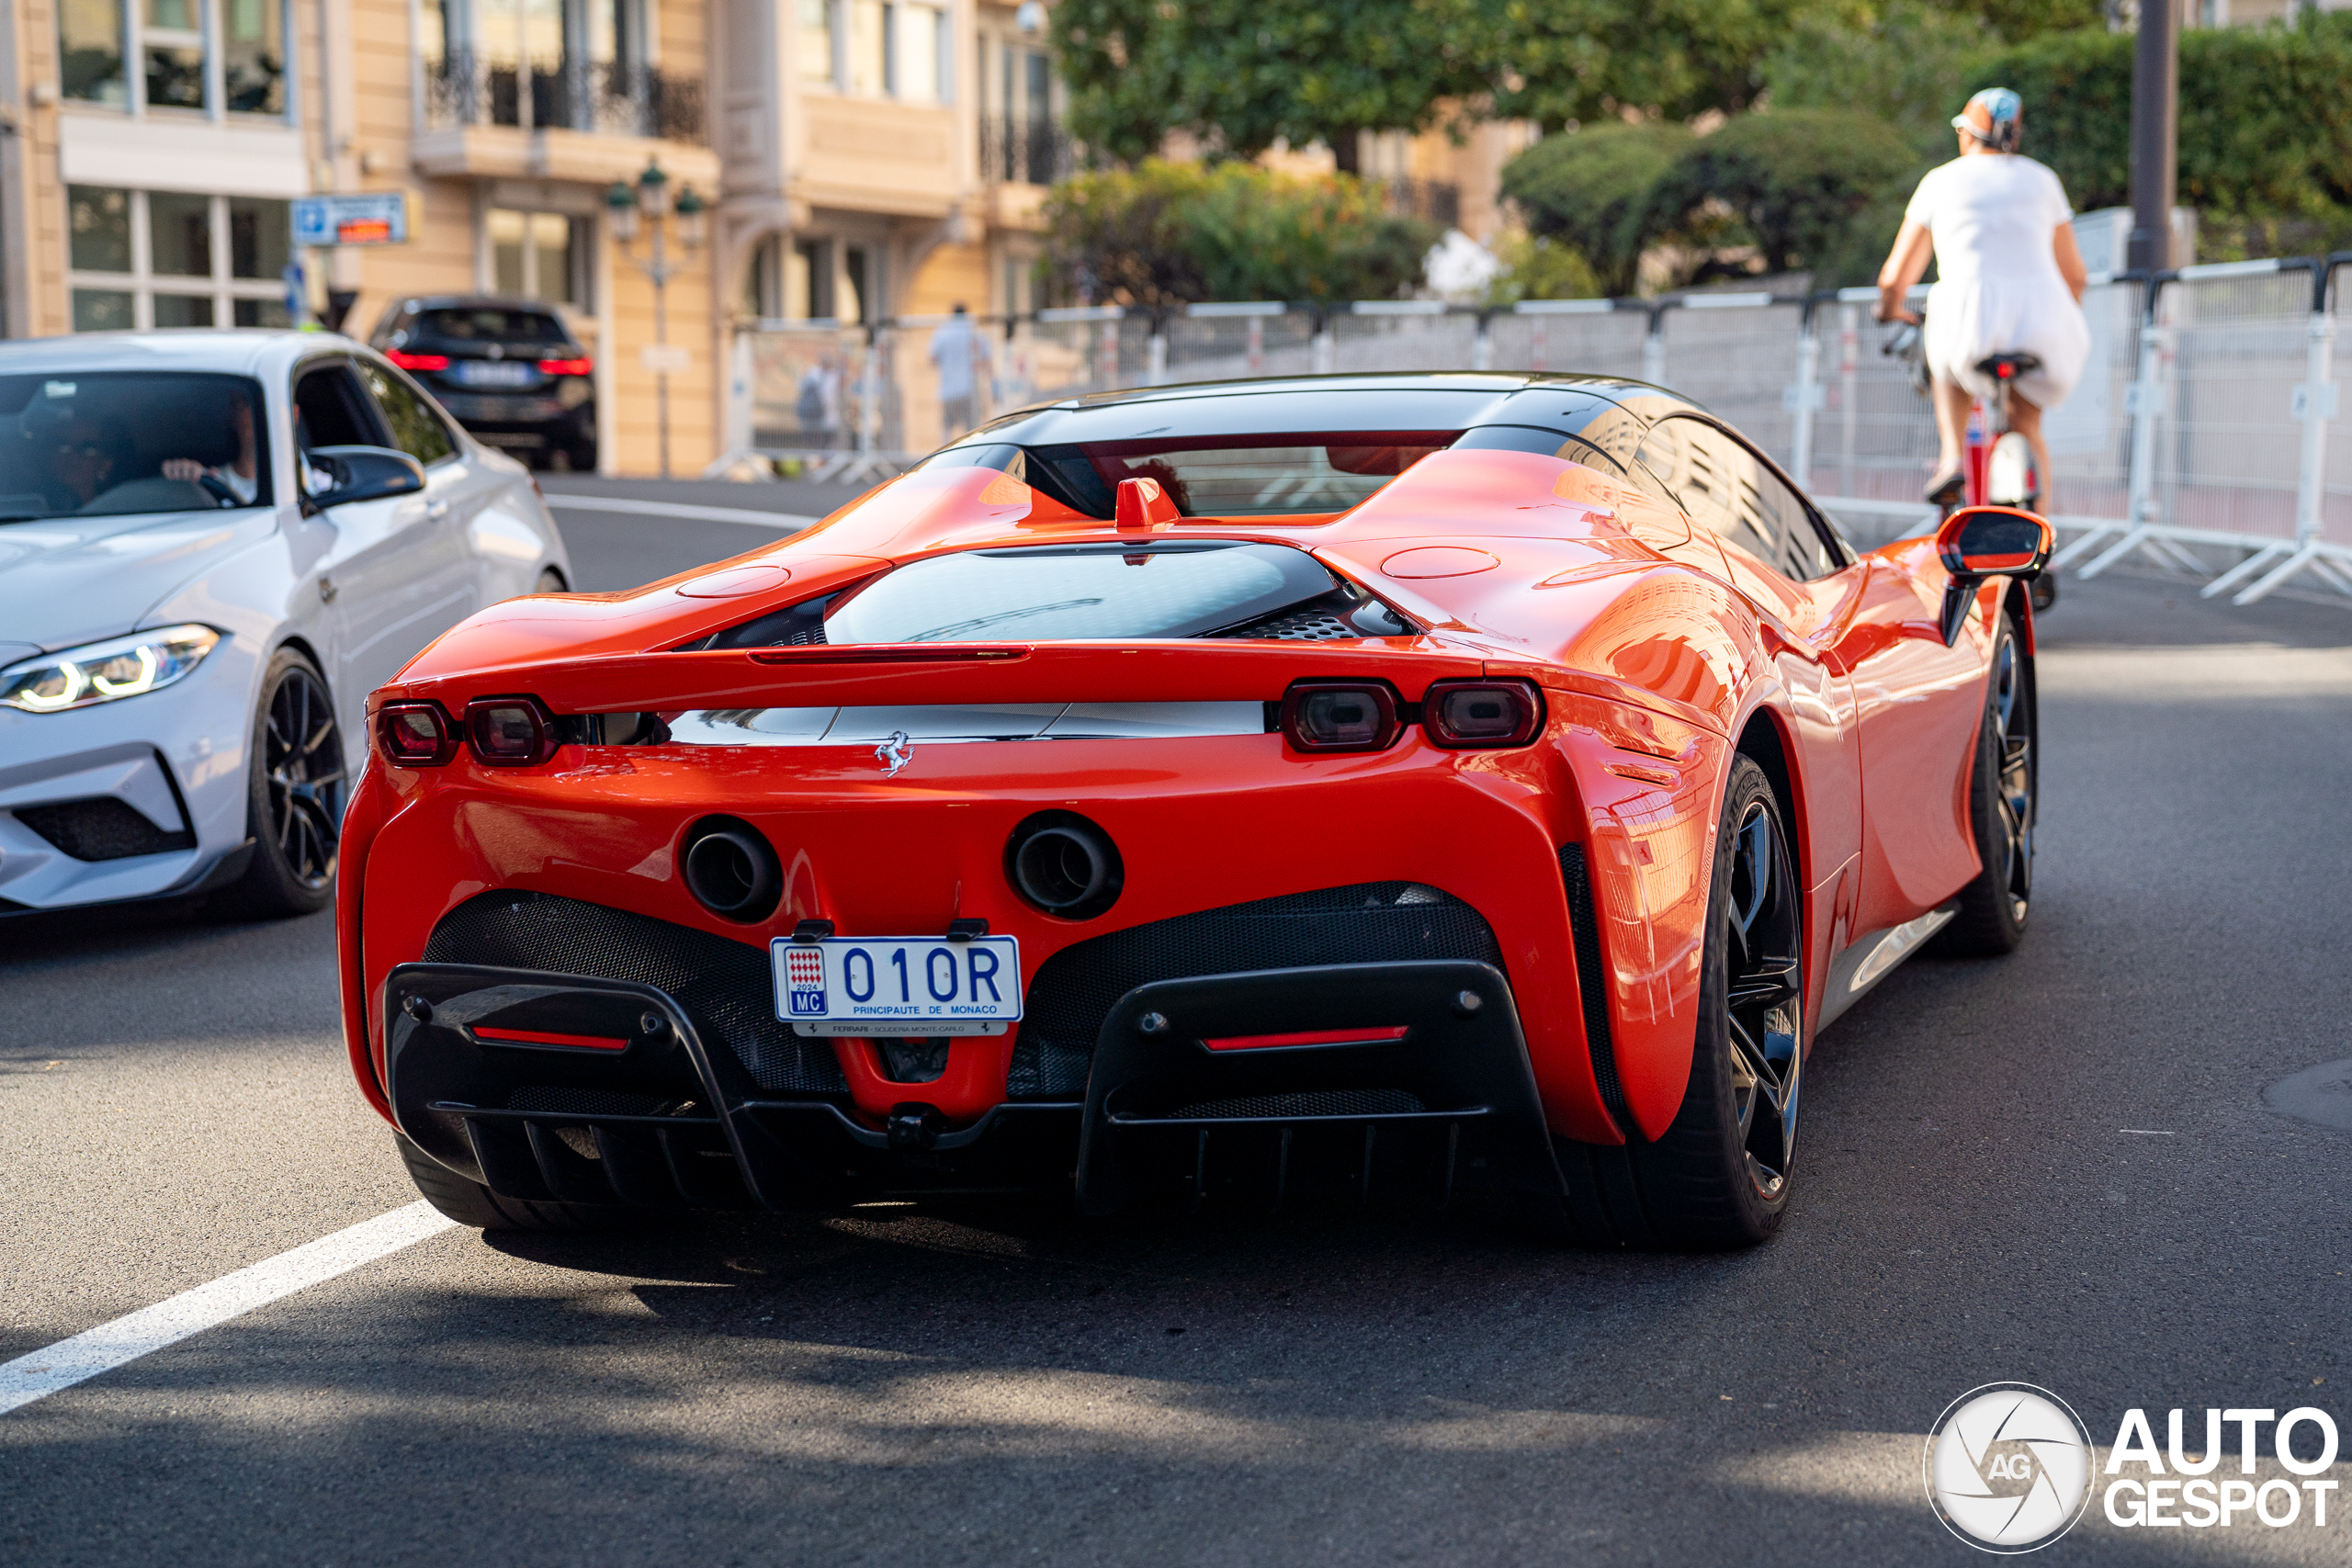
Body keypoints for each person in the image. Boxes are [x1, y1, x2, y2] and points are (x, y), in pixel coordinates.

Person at [1876, 87, 2090, 509]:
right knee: (2027, 424)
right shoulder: (2043, 179)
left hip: (1966, 321)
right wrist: (2063, 318)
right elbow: (2076, 276)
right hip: (2042, 323)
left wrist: (1890, 311)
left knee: (1947, 367)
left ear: (1966, 135)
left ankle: (1953, 456)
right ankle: (2039, 545)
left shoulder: (1940, 181)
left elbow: (1894, 278)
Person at [162, 396, 261, 504]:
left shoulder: (281, 488)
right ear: (233, 415)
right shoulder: (208, 482)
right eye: (248, 403)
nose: (261, 413)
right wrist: (180, 481)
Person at [929, 303, 992, 443]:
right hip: (970, 389)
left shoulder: (942, 332)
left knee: (946, 429)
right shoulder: (975, 332)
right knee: (971, 430)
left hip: (948, 389)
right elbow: (987, 361)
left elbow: (932, 359)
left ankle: (944, 459)